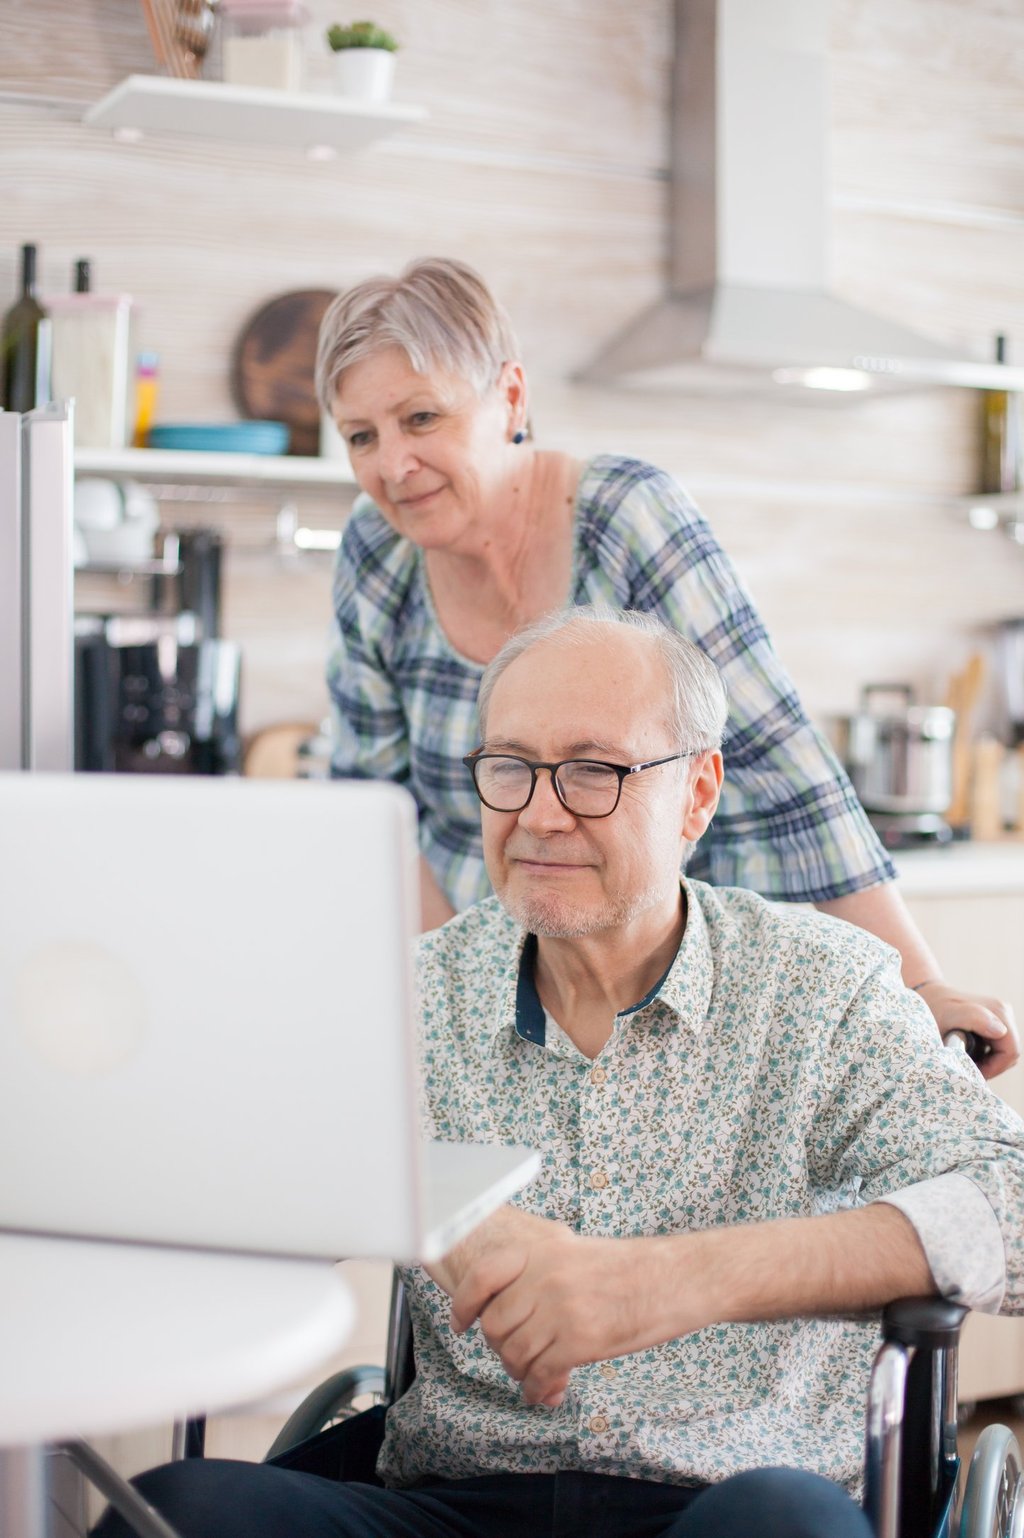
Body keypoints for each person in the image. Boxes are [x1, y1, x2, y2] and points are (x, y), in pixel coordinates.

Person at [96, 607, 1024, 1538]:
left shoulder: (824, 988)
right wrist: (410, 1199)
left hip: (729, 1502)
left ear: (697, 794)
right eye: (510, 768)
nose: (540, 815)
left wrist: (667, 1282)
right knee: (181, 1512)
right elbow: (214, 1191)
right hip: (453, 1503)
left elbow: (1012, 1206)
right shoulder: (410, 998)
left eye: (592, 771)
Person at [316, 256, 1016, 1076]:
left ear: (510, 396)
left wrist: (920, 984)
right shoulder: (375, 552)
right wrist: (447, 1006)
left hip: (687, 982)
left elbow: (783, 762)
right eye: (362, 436)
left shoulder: (625, 515)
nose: (392, 465)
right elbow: (378, 809)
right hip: (509, 987)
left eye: (421, 418)